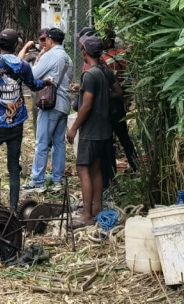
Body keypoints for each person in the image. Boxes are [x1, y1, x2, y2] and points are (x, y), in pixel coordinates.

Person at [0, 29, 49, 210]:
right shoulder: (23, 66)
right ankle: (14, 209)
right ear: (16, 45)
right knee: (13, 167)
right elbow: (33, 84)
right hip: (16, 122)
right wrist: (46, 82)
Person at [66, 34, 121, 228]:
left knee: (83, 169)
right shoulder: (105, 71)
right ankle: (97, 208)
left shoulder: (89, 75)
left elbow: (86, 106)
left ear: (85, 52)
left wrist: (73, 129)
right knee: (97, 169)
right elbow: (118, 92)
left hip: (90, 131)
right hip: (105, 130)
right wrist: (103, 98)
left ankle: (87, 215)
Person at [22, 27, 73, 193]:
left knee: (42, 142)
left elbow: (33, 75)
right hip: (64, 104)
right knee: (59, 142)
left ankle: (38, 181)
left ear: (50, 40)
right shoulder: (67, 58)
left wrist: (38, 61)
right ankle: (57, 179)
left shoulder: (51, 55)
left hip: (50, 103)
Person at [102, 28, 139, 175]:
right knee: (124, 136)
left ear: (108, 41)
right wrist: (128, 98)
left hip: (111, 100)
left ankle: (111, 172)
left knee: (109, 139)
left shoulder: (104, 59)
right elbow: (130, 78)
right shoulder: (123, 55)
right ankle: (135, 165)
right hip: (122, 100)